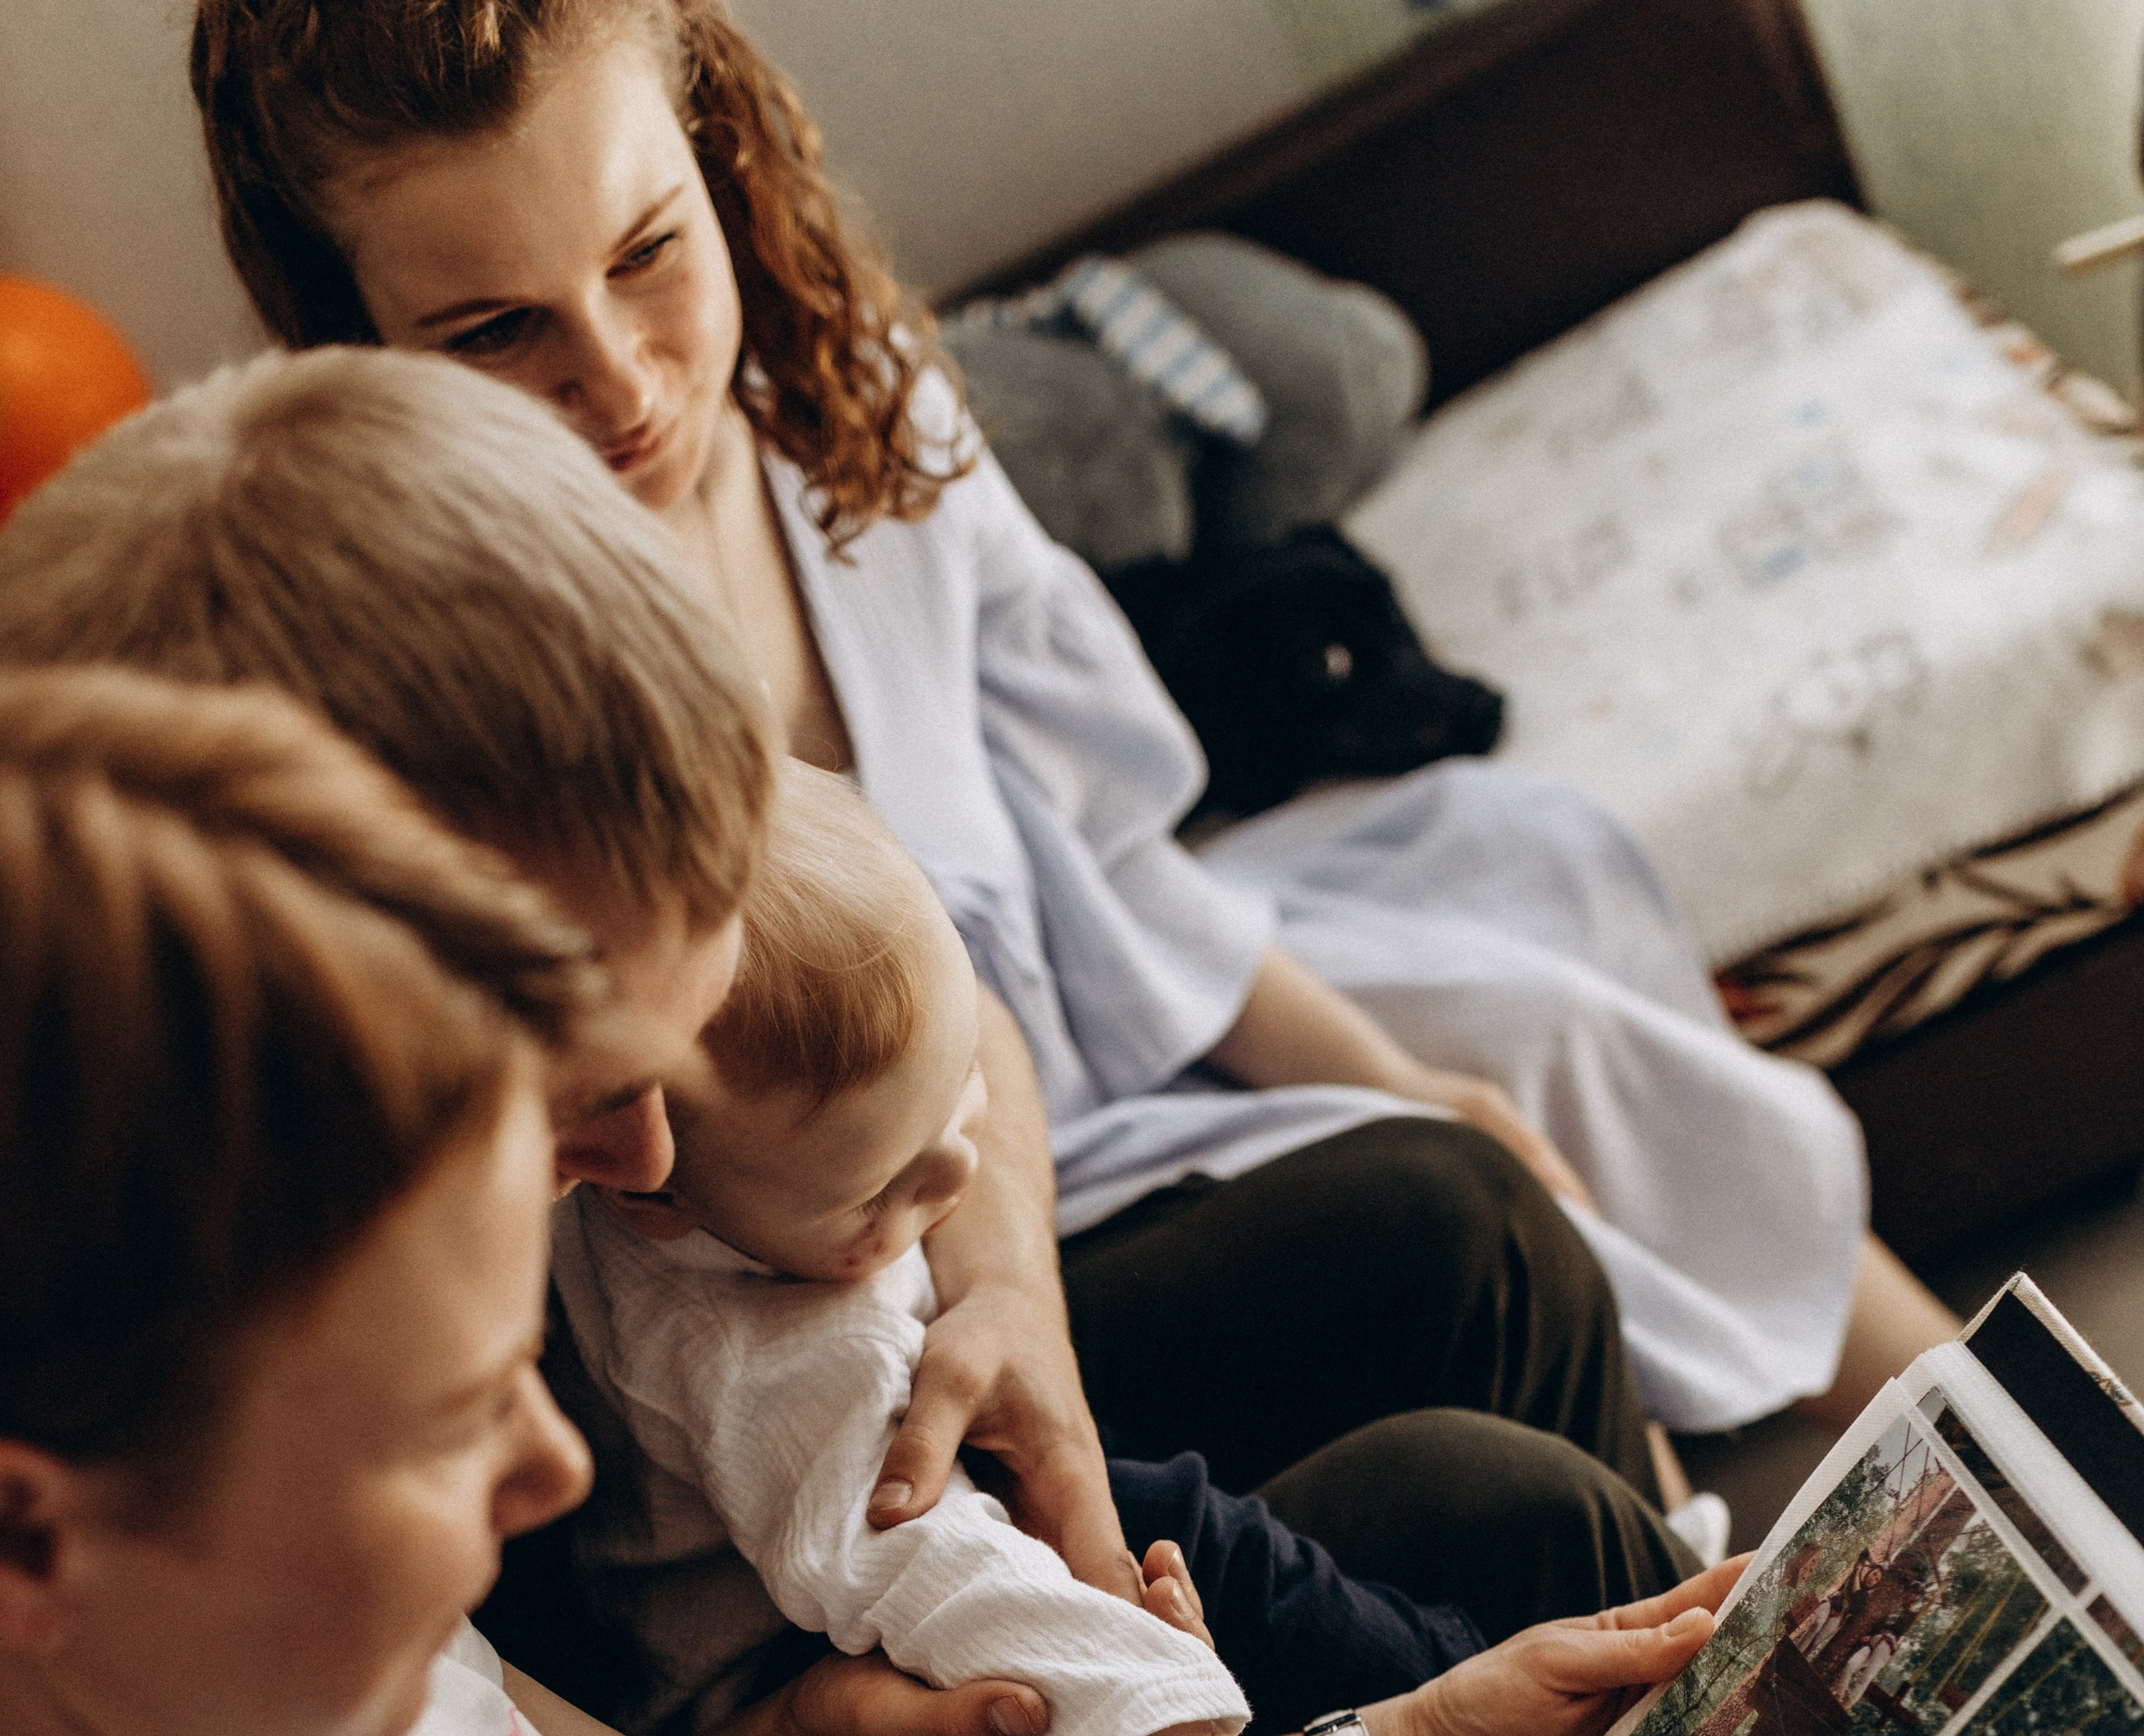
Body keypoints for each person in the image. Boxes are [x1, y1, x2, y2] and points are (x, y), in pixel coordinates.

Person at [187, 0, 1962, 1538]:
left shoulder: (845, 405)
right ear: (354, 347)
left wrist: (1391, 1072)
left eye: (649, 253)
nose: (623, 382)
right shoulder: (454, 700)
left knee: (1524, 974)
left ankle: (2009, 1462)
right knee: (1455, 1196)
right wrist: (1048, 1258)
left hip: (1096, 1024)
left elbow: (1102, 863)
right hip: (885, 1232)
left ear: (714, 160)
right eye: (494, 335)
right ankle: (1682, 1564)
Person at [0, 338, 1711, 1736]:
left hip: (841, 1453)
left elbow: (944, 1006)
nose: (647, 1154)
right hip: (775, 1660)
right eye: (586, 1098)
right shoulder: (245, 1378)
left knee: (1457, 1215)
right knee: (1511, 1518)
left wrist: (1007, 1291)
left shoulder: (589, 768)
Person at [552, 759, 1342, 1736]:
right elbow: (923, 1564)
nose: (958, 1175)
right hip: (801, 1668)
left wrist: (991, 1265)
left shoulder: (736, 1178)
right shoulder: (764, 1351)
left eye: (956, 1091)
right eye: (886, 1185)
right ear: (644, 1190)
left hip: (870, 1513)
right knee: (1207, 1547)